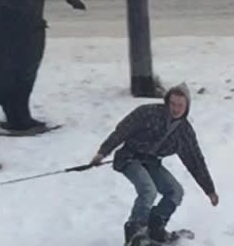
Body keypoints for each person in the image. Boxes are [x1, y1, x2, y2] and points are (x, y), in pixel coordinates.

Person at [89, 83, 219, 244]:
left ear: (187, 107)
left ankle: (155, 229)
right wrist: (102, 152)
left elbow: (195, 161)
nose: (176, 109)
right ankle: (135, 234)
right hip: (129, 158)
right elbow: (122, 131)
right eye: (172, 104)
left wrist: (209, 190)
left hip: (151, 163)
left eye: (180, 105)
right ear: (167, 102)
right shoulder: (148, 113)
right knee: (148, 189)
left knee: (175, 191)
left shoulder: (184, 132)